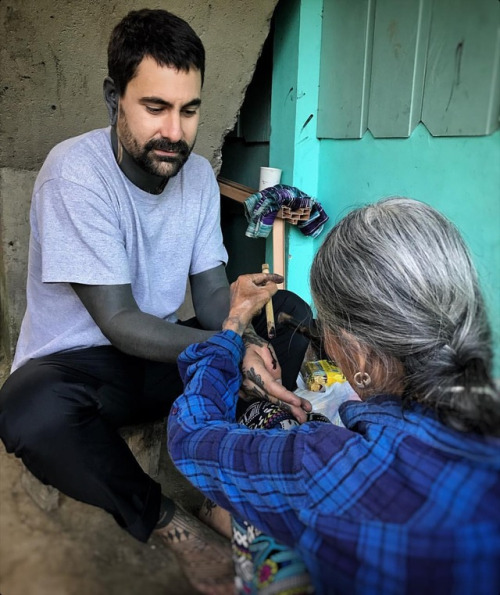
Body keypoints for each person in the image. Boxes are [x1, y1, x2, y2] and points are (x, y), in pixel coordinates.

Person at [0, 9, 314, 594]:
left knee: (289, 312)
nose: (175, 131)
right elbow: (118, 322)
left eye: (189, 110)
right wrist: (228, 346)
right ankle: (170, 523)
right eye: (155, 107)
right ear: (113, 98)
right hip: (87, 367)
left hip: (165, 355)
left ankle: (226, 491)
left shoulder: (195, 176)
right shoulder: (75, 174)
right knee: (29, 409)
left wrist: (238, 318)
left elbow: (212, 292)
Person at [167, 197, 500, 595]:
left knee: (261, 515)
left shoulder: (328, 463)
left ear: (359, 355)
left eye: (328, 330)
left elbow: (189, 435)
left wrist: (234, 324)